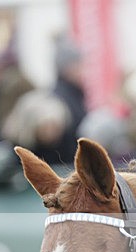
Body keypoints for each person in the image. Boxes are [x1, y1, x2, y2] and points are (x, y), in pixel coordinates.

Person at [52, 35, 87, 164]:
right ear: (68, 68)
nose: (84, 71)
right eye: (79, 65)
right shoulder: (61, 98)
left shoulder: (75, 94)